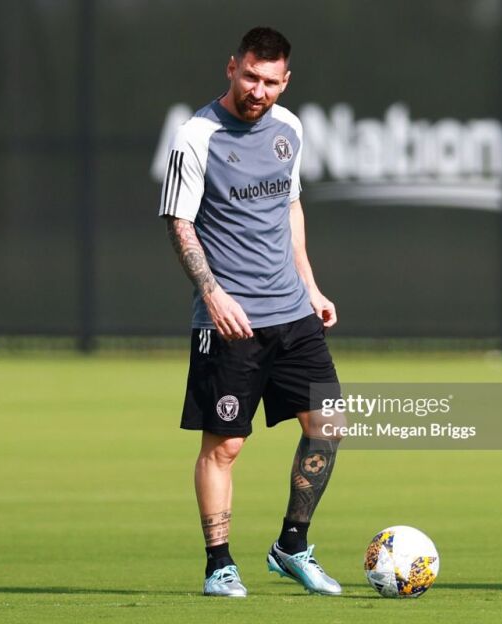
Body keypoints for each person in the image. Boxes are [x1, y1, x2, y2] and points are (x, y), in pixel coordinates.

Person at [158, 26, 344, 598]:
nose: (257, 91)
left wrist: (311, 287)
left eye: (270, 82)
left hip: (292, 312)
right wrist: (213, 294)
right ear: (231, 68)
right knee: (225, 447)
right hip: (231, 323)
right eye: (249, 77)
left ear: (285, 82)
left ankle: (292, 545)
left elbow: (290, 207)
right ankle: (219, 565)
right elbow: (180, 223)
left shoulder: (289, 128)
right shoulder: (196, 136)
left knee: (328, 424)